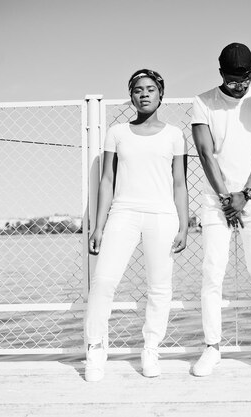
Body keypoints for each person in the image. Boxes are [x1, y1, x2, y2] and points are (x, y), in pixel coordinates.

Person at [83, 69, 189, 382]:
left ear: (161, 95)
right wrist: (98, 226)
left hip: (162, 215)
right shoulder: (117, 133)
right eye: (138, 90)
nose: (144, 94)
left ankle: (151, 348)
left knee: (159, 287)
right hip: (123, 213)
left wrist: (184, 226)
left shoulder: (174, 135)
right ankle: (95, 348)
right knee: (103, 281)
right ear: (131, 96)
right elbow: (107, 180)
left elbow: (180, 183)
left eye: (150, 89)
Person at [190, 42, 251, 377]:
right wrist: (225, 197)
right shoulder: (202, 102)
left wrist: (245, 193)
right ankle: (212, 348)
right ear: (221, 75)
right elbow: (204, 153)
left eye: (244, 78)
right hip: (215, 201)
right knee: (212, 273)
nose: (240, 85)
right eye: (232, 80)